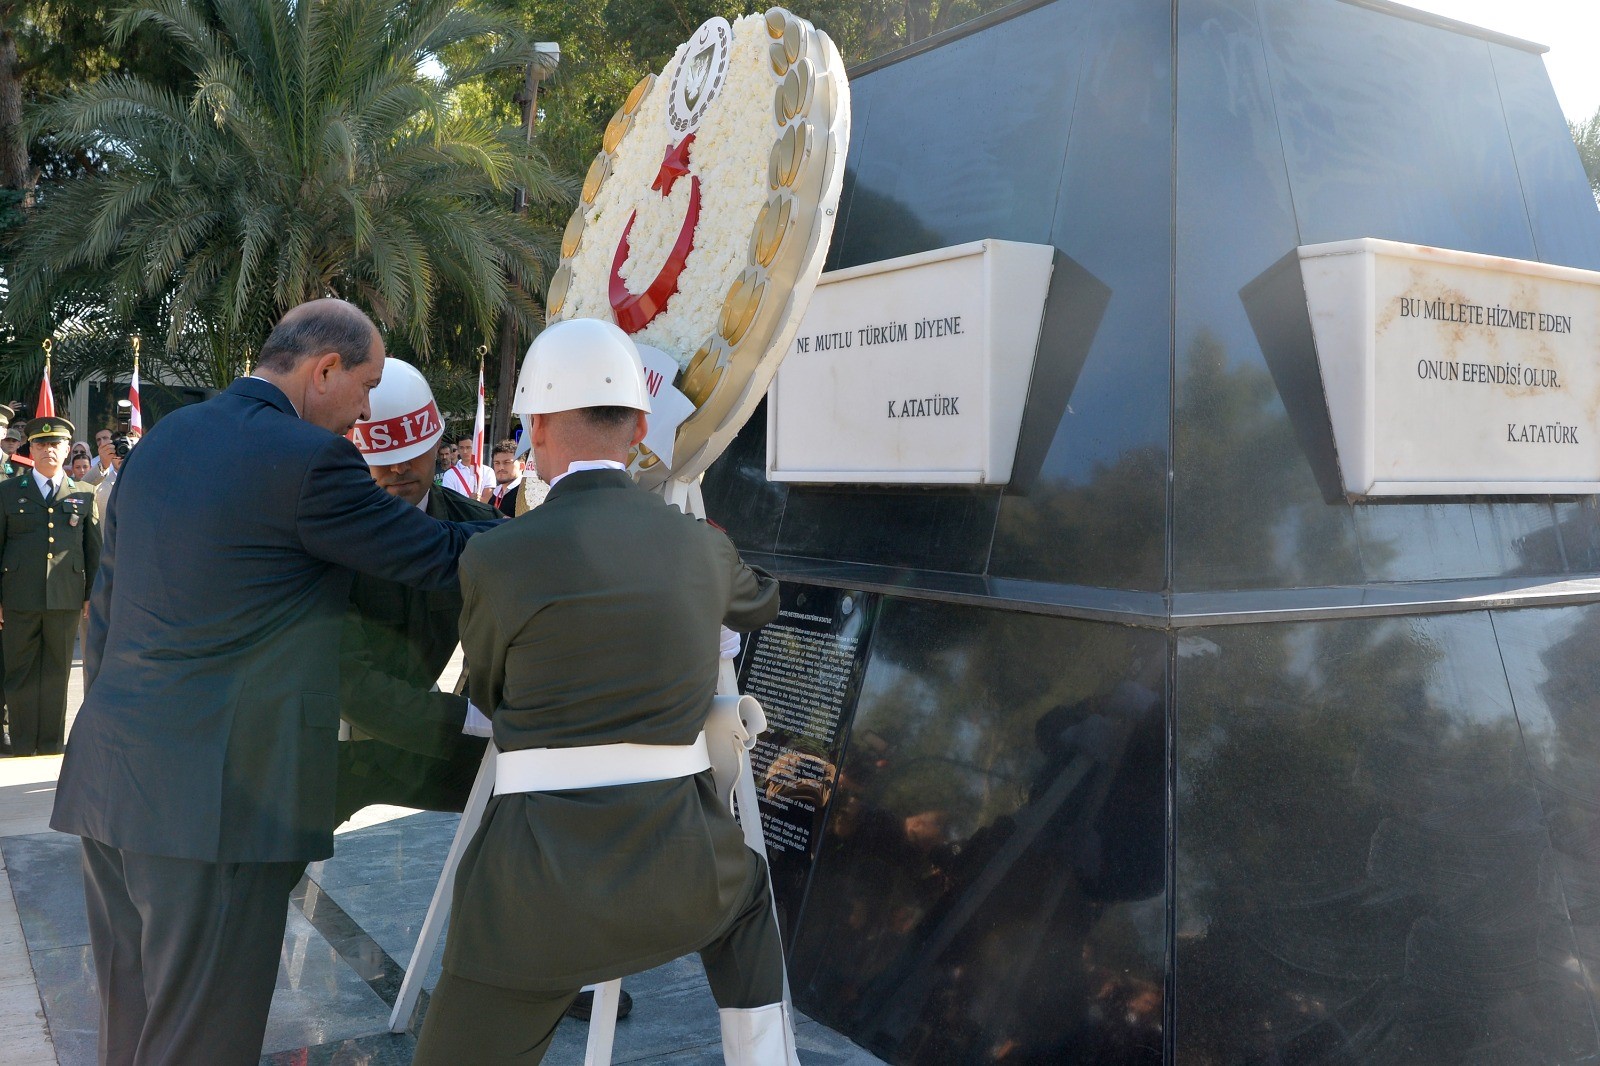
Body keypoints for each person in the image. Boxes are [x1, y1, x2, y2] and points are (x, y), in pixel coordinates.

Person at [51, 298, 493, 1066]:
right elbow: (441, 555)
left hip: (112, 783)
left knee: (133, 1022)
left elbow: (108, 613)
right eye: (365, 386)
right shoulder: (310, 461)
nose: (363, 412)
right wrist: (581, 525)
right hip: (213, 807)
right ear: (325, 369)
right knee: (201, 1038)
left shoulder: (165, 439)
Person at [412, 318, 788, 1065]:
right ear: (641, 427)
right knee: (748, 897)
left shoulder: (495, 557)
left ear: (541, 425)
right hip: (686, 876)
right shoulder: (700, 546)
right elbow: (762, 601)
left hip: (537, 896)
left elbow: (493, 693)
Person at [338, 358, 495, 820]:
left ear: (438, 445)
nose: (401, 467)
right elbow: (349, 682)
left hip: (426, 732)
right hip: (323, 737)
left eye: (415, 453)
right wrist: (467, 718)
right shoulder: (327, 538)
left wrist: (485, 706)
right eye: (383, 460)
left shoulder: (478, 527)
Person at [0, 416, 100, 757]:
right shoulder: (8, 491)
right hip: (18, 596)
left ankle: (51, 744)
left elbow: (94, 550)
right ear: (31, 449)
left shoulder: (84, 494)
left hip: (65, 596)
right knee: (20, 671)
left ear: (67, 449)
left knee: (57, 672)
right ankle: (24, 744)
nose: (48, 450)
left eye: (55, 444)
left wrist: (91, 595)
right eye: (41, 444)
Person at [442, 434, 492, 501]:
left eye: (468, 447)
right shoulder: (449, 474)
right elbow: (450, 500)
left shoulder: (487, 471)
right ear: (458, 450)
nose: (465, 451)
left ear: (475, 448)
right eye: (461, 448)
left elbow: (488, 499)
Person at [488, 439, 523, 517]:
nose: (501, 468)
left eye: (507, 462)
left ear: (521, 466)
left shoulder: (525, 493)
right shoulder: (495, 494)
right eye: (497, 463)